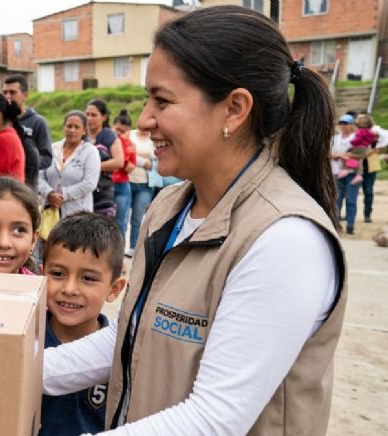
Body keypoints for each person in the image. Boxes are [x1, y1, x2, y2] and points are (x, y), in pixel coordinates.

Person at [43, 6, 346, 435]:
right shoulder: (168, 207)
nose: (145, 120)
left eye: (162, 101)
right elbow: (132, 337)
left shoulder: (284, 239)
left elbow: (215, 419)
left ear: (234, 109)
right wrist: (9, 365)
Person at [39, 212, 125, 436]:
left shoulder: (118, 353)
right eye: (58, 274)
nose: (69, 289)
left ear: (114, 289)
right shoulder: (30, 340)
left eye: (88, 278)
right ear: (41, 277)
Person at [39, 110, 101, 219]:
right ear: (64, 127)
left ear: (84, 131)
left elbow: (90, 183)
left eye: (77, 127)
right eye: (69, 126)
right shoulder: (52, 148)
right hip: (50, 213)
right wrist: (49, 193)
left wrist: (63, 195)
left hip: (78, 215)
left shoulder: (90, 152)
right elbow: (39, 176)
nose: (72, 130)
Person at [3, 75, 54, 185]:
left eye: (12, 92)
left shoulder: (38, 122)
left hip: (27, 188)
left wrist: (23, 161)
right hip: (3, 185)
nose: (7, 97)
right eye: (5, 93)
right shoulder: (1, 122)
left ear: (25, 95)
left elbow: (47, 159)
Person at [85, 99, 124, 218]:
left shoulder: (109, 135)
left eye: (94, 115)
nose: (89, 118)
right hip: (82, 193)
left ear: (104, 117)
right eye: (87, 114)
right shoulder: (81, 135)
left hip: (102, 195)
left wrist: (93, 167)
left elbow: (119, 162)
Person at [125, 128, 154, 256]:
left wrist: (134, 159)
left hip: (145, 184)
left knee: (138, 217)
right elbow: (124, 153)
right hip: (127, 181)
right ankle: (119, 248)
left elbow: (155, 160)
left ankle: (133, 248)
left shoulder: (154, 137)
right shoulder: (130, 134)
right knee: (123, 217)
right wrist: (142, 162)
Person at [331, 114, 359, 234]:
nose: (343, 126)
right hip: (336, 172)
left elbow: (361, 154)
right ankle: (336, 224)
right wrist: (338, 155)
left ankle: (350, 225)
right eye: (341, 123)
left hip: (352, 173)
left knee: (351, 200)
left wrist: (344, 156)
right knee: (337, 200)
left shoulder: (356, 138)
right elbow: (328, 153)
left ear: (351, 125)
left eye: (346, 124)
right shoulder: (335, 139)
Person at [110, 109, 136, 239]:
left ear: (129, 130)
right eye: (117, 129)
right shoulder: (106, 141)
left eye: (123, 131)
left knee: (120, 223)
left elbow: (130, 168)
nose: (119, 133)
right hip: (106, 186)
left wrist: (122, 155)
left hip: (122, 186)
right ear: (112, 126)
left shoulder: (130, 145)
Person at [338, 113, 376, 185]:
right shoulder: (370, 131)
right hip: (364, 148)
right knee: (359, 160)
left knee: (346, 154)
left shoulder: (360, 131)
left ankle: (345, 169)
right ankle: (358, 175)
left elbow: (358, 139)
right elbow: (371, 139)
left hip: (358, 147)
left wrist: (353, 142)